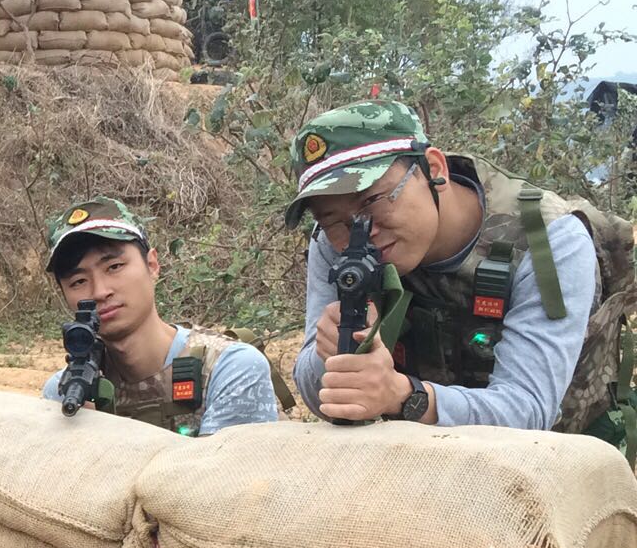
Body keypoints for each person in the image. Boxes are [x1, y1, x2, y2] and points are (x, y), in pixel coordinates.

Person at [288, 99, 632, 436]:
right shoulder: (336, 243)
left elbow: (529, 410)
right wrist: (332, 352)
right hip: (425, 449)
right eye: (335, 220)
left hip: (559, 452)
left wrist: (403, 396)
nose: (362, 231)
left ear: (433, 169)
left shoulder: (549, 240)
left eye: (372, 201)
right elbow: (319, 394)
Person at [38, 197, 284, 435]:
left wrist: (100, 438)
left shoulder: (229, 369)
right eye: (78, 281)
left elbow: (220, 476)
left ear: (152, 264)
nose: (100, 291)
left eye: (114, 267)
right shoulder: (64, 392)